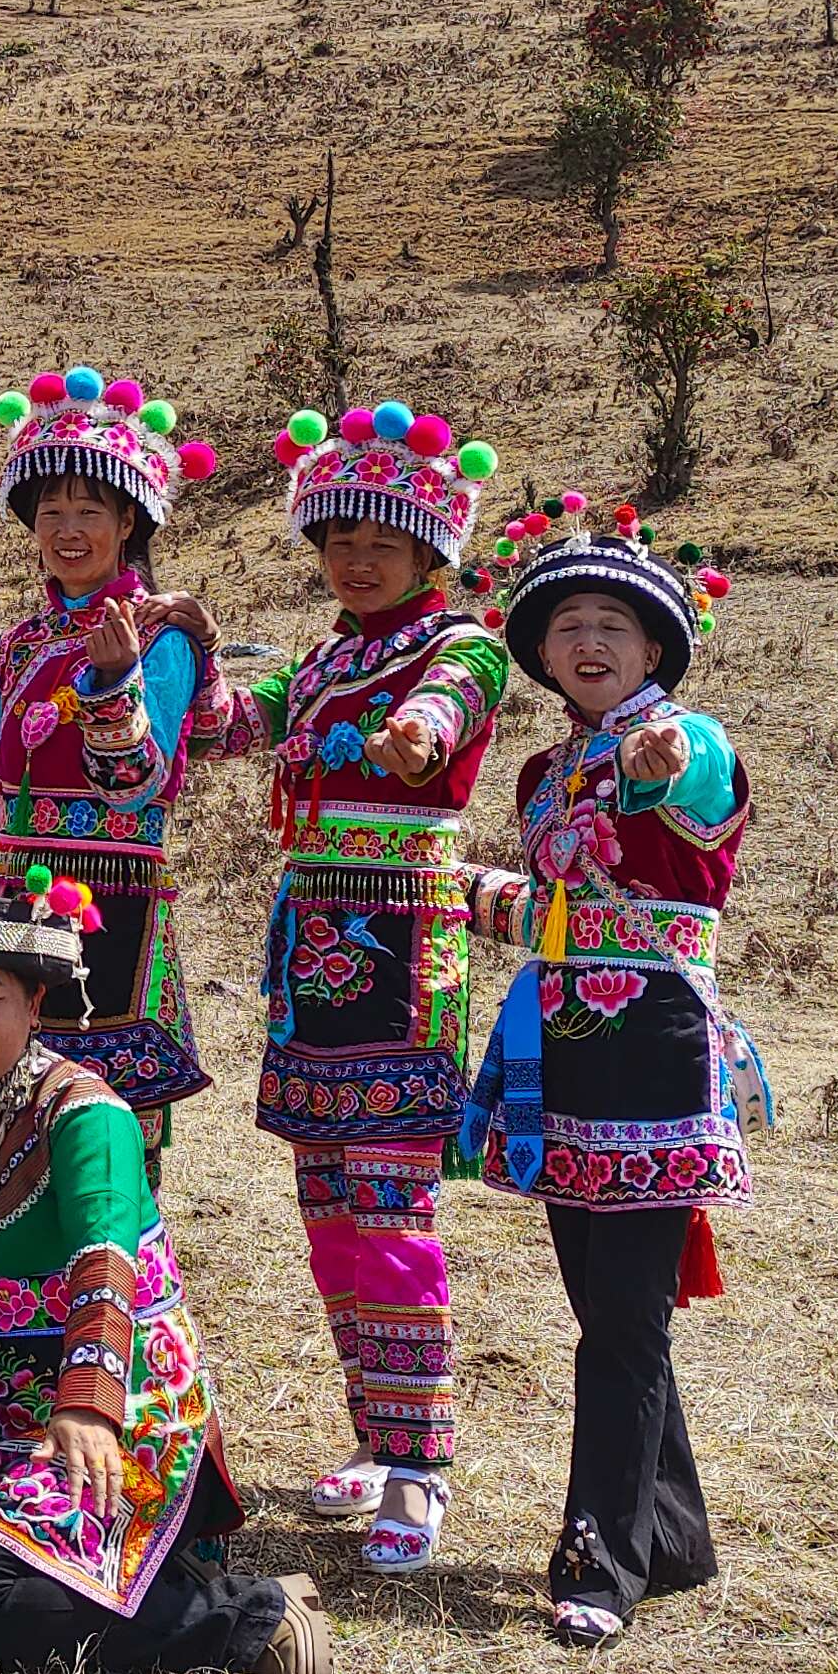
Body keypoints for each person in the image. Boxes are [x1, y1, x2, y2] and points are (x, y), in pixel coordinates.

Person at [0, 860, 335, 1674]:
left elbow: (103, 1265)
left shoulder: (88, 1118)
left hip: (121, 1425)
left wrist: (84, 1406)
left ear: (35, 1005)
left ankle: (245, 1615)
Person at [458, 493, 757, 1651]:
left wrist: (660, 758)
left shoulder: (691, 740)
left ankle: (599, 1560)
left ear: (656, 652)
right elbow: (556, 906)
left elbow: (681, 783)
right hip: (560, 1047)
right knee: (604, 1306)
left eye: (615, 629)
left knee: (622, 1319)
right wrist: (474, 897)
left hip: (655, 1051)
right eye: (569, 625)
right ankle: (672, 1536)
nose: (589, 643)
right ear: (541, 651)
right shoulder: (541, 773)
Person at [233, 402, 509, 1576]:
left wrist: (414, 735)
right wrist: (164, 666)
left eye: (382, 539)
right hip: (313, 952)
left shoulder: (464, 647)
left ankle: (420, 1462)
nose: (357, 557)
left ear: (431, 551)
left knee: (392, 1210)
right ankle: (371, 1430)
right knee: (328, 1214)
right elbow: (233, 727)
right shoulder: (328, 658)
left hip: (404, 954)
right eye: (339, 537)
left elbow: (436, 724)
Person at [0, 364, 237, 1155]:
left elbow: (139, 782)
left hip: (116, 904)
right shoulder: (11, 650)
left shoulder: (162, 637)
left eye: (89, 510)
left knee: (108, 1126)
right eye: (51, 513)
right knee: (10, 1111)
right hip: (13, 901)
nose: (68, 530)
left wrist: (112, 686)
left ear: (129, 523)